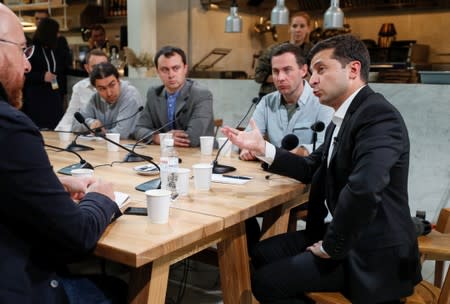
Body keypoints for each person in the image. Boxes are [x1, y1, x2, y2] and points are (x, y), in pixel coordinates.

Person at [222, 34, 422, 303]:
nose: (312, 79)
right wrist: (263, 149)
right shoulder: (342, 117)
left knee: (265, 282)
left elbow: (364, 189)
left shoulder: (378, 115)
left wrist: (332, 246)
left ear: (353, 70)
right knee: (260, 253)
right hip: (335, 232)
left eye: (321, 69)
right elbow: (309, 167)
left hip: (371, 251)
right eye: (312, 70)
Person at [0, 4, 127, 303]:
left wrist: (54, 185)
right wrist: (102, 198)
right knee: (120, 289)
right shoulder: (10, 127)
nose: (28, 65)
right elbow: (76, 236)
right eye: (22, 51)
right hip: (21, 289)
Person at [241, 43, 333, 161]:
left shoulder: (323, 101)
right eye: (275, 71)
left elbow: (325, 147)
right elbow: (249, 141)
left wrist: (279, 154)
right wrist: (247, 148)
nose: (280, 78)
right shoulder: (266, 102)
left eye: (287, 70)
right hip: (272, 174)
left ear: (303, 70)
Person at [134, 45, 214, 147]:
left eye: (176, 68)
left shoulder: (201, 95)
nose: (171, 75)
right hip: (164, 156)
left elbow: (192, 139)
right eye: (164, 69)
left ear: (185, 69)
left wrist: (163, 139)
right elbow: (138, 129)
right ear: (158, 71)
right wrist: (158, 138)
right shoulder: (153, 94)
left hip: (198, 156)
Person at [73, 61, 143, 139]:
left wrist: (100, 131)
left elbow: (122, 134)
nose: (109, 93)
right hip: (105, 147)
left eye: (112, 85)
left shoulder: (130, 96)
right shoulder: (95, 98)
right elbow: (75, 126)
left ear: (118, 80)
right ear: (95, 88)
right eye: (102, 89)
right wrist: (91, 123)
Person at [255, 12, 313, 98]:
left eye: (302, 26)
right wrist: (283, 78)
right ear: (289, 28)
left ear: (308, 29)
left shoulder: (313, 52)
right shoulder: (273, 50)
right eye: (294, 26)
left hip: (302, 98)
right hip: (271, 96)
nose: (298, 30)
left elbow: (318, 77)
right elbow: (258, 76)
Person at [22, 17, 65, 129]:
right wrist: (42, 76)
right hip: (37, 101)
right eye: (56, 31)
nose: (58, 34)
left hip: (54, 99)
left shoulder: (54, 50)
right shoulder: (31, 51)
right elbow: (22, 74)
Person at [55, 49, 108, 131]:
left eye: (104, 66)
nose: (100, 70)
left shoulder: (119, 87)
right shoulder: (79, 87)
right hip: (89, 136)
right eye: (95, 67)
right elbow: (70, 116)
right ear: (87, 68)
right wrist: (58, 133)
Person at [33, 10, 72, 103]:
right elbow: (24, 74)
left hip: (56, 90)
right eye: (37, 19)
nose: (39, 21)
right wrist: (42, 76)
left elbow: (66, 64)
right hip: (38, 95)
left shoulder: (58, 42)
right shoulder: (32, 47)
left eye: (42, 19)